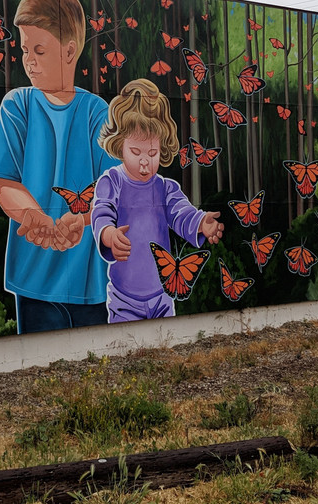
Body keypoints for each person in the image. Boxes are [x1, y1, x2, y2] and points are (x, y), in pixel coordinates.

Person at [0, 0, 118, 333]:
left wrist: (78, 220)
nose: (29, 60)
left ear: (69, 51)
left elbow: (110, 189)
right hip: (33, 277)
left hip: (89, 281)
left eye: (39, 50)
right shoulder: (17, 105)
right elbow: (4, 181)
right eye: (24, 50)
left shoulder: (96, 112)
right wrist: (34, 218)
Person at [91, 79, 224, 322]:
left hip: (163, 295)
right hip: (124, 298)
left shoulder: (165, 188)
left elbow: (182, 213)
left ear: (162, 149)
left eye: (152, 153)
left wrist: (201, 223)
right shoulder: (112, 182)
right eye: (136, 152)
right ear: (120, 146)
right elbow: (101, 212)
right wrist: (108, 235)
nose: (144, 162)